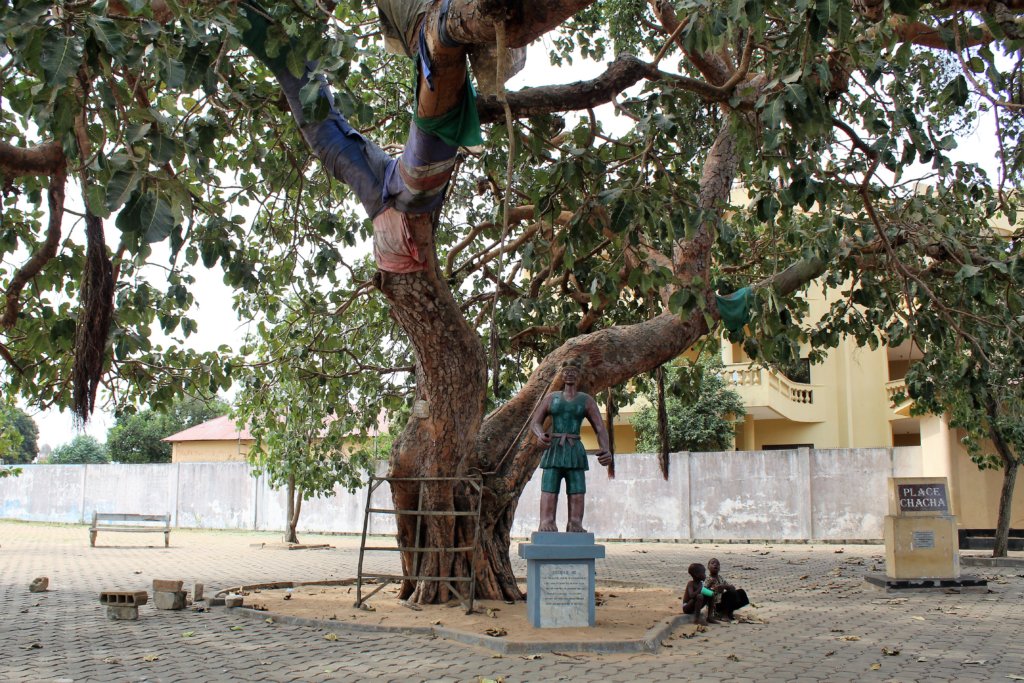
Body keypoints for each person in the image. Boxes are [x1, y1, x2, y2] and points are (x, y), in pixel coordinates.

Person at [529, 358, 613, 533]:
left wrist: (606, 449)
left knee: (577, 487)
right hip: (554, 448)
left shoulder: (586, 400)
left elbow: (599, 428)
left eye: (573, 371)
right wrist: (540, 435)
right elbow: (535, 422)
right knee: (549, 485)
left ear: (579, 375)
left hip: (575, 448)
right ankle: (546, 520)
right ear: (561, 374)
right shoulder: (552, 398)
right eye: (566, 371)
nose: (569, 374)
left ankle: (575, 522)